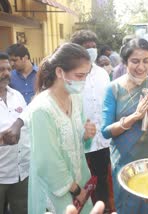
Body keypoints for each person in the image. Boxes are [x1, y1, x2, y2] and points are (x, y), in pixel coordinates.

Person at [101, 38, 148, 213]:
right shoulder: (113, 89)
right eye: (135, 61)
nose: (141, 67)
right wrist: (134, 117)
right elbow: (106, 132)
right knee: (128, 206)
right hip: (125, 163)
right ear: (125, 62)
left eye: (146, 61)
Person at [25, 43, 96, 213]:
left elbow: (76, 144)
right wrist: (76, 190)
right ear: (59, 72)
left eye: (86, 76)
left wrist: (86, 136)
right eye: (79, 76)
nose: (83, 82)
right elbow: (47, 161)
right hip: (56, 189)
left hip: (79, 180)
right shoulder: (41, 109)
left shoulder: (76, 98)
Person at [70, 30, 113, 211]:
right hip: (80, 140)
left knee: (103, 179)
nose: (92, 50)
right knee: (83, 182)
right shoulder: (72, 74)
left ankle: (102, 208)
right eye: (87, 47)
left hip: (102, 140)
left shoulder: (103, 73)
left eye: (94, 47)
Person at [0, 52, 29, 214]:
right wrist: (2, 139)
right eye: (0, 70)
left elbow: (27, 123)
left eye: (8, 69)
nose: (6, 74)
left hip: (21, 172)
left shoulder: (16, 95)